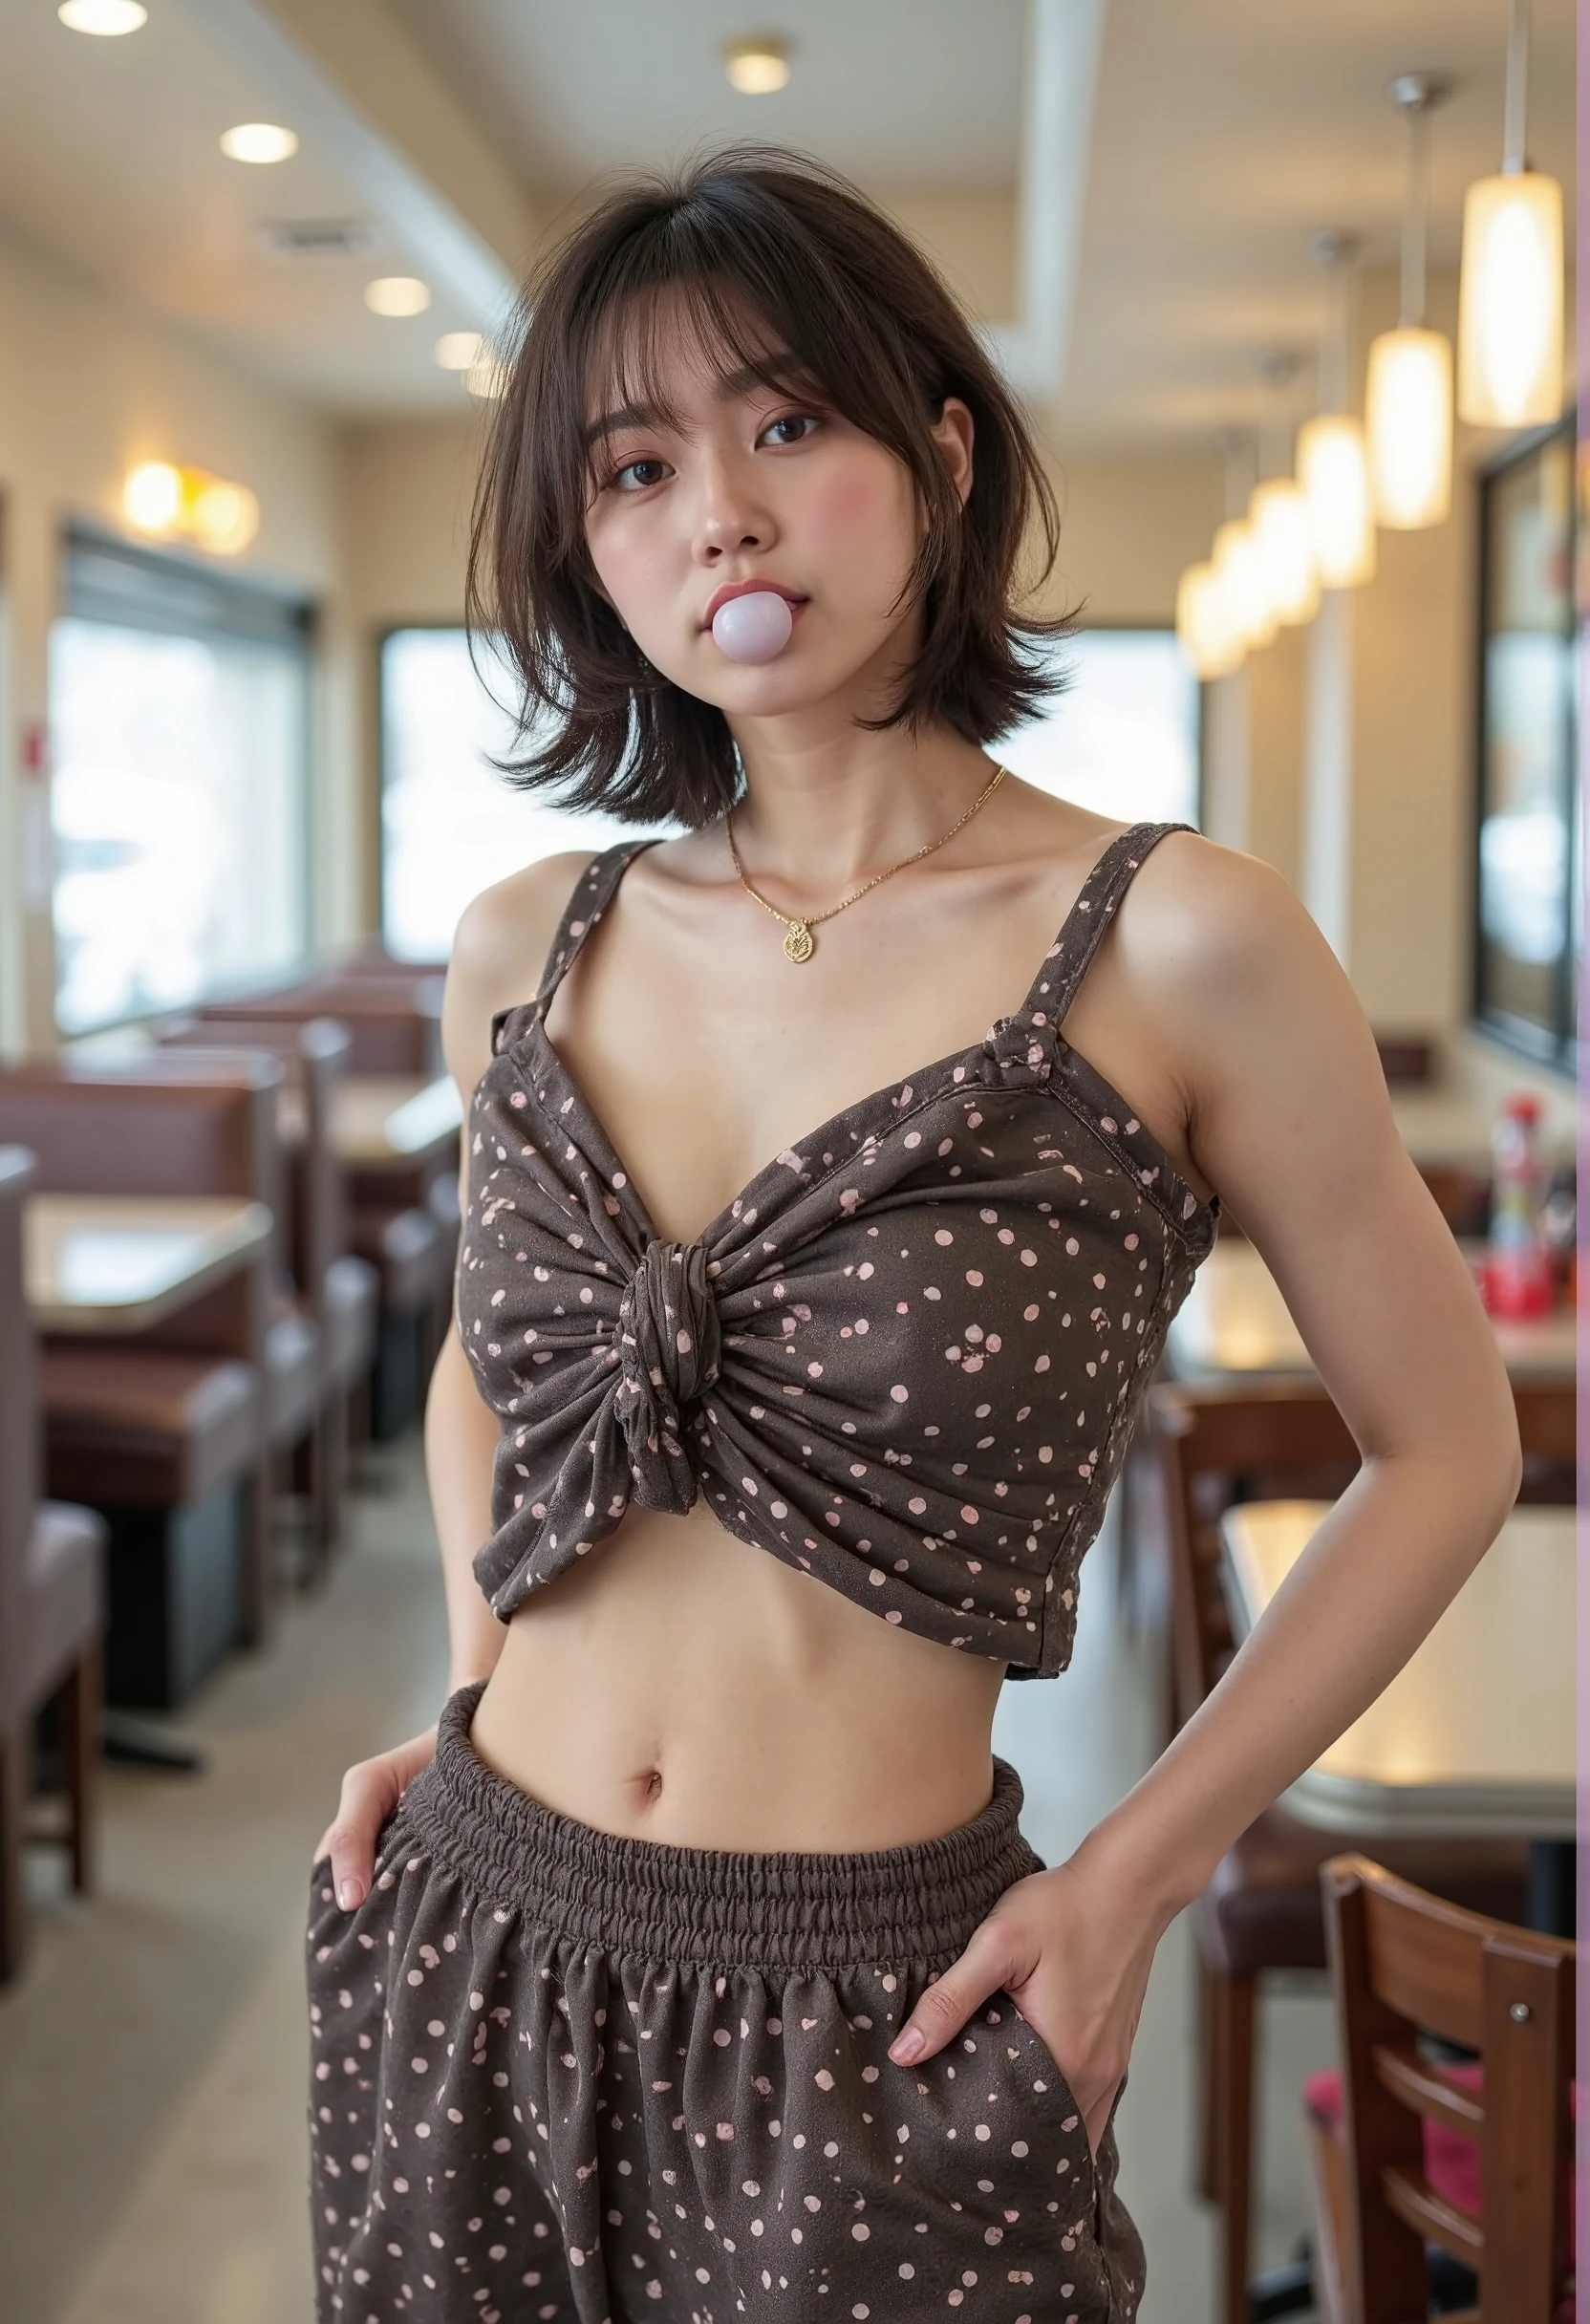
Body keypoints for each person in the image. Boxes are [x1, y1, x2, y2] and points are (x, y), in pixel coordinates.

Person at [306, 150, 1520, 2324]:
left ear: (937, 456)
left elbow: (1449, 1451)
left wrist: (1139, 1873)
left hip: (887, 1991)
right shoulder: (527, 938)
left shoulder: (1179, 937)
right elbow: (488, 1370)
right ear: (588, 542)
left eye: (787, 424)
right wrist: (479, 1691)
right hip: (470, 1928)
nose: (722, 518)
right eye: (637, 464)